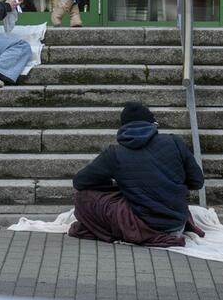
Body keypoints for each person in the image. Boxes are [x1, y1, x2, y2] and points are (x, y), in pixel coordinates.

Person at [69, 102, 206, 247]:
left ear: (123, 128)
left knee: (82, 197)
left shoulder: (114, 153)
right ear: (153, 124)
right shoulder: (174, 141)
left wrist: (113, 184)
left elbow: (80, 182)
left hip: (145, 226)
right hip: (177, 223)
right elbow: (197, 182)